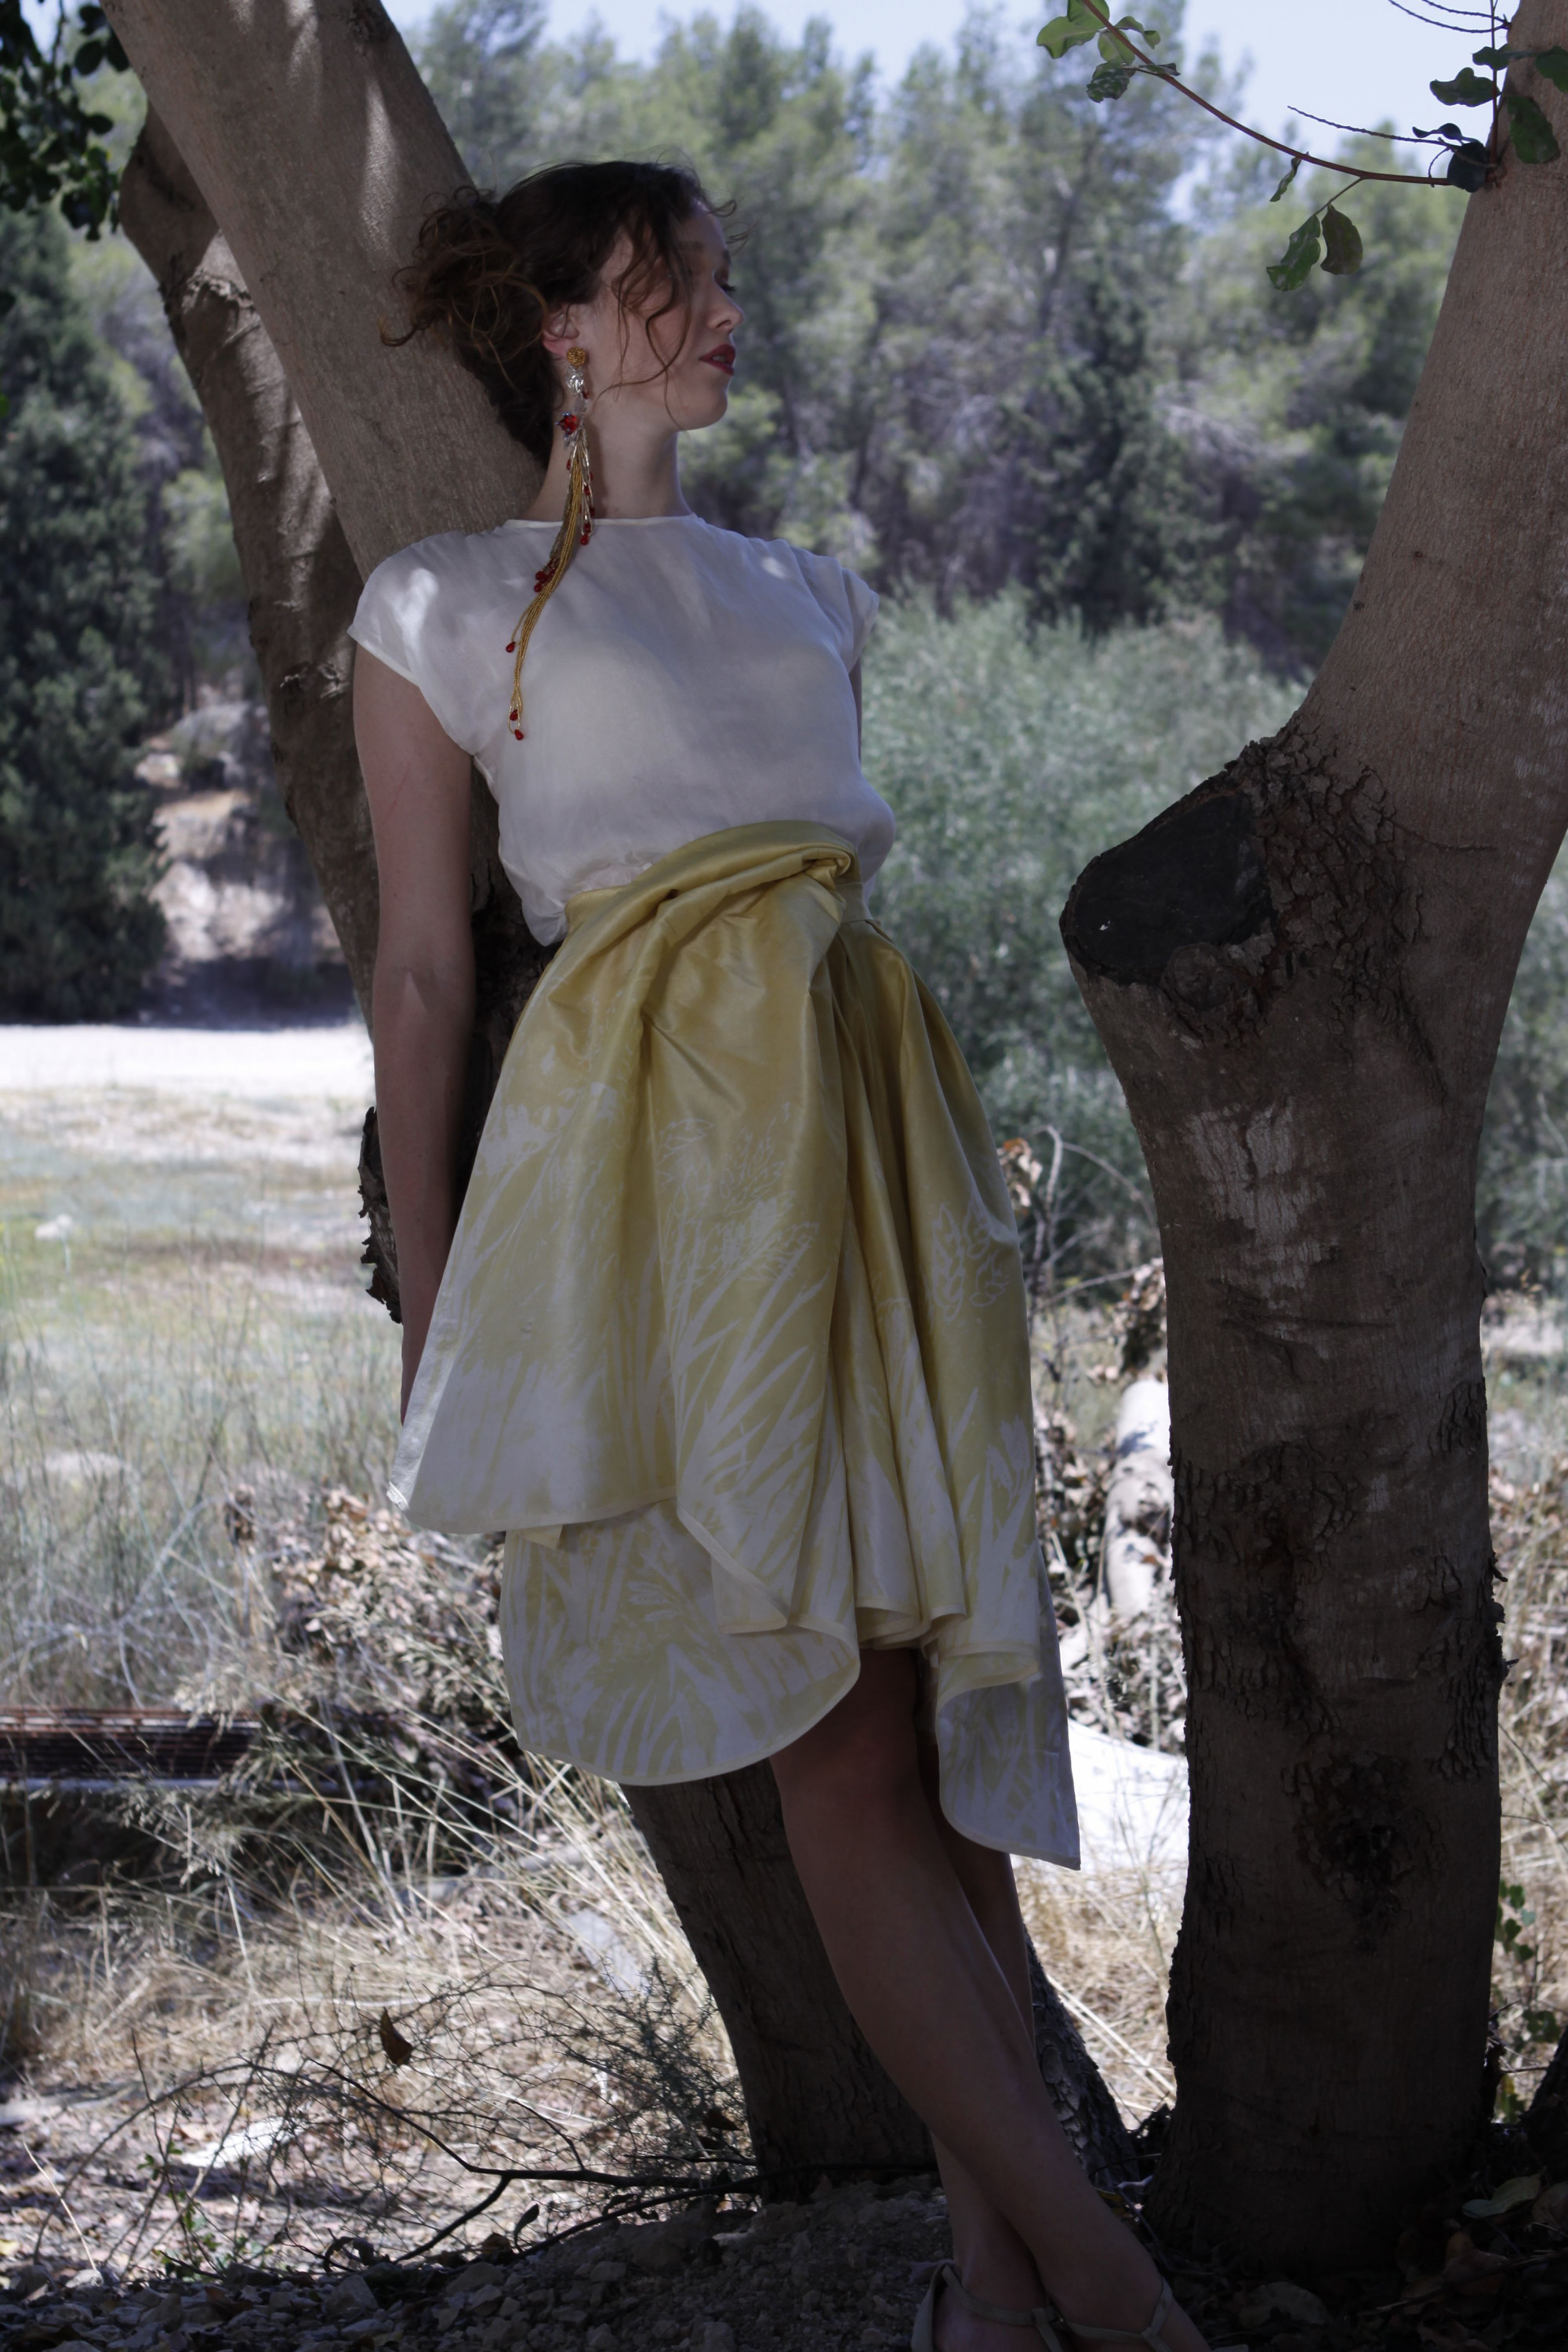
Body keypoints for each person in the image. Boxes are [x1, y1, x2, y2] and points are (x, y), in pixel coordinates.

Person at [350, 159, 1205, 2352]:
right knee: (835, 1733)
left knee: (922, 1742)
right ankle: (1114, 2294)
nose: (728, 311)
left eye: (726, 276)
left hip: (875, 1162)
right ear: (563, 324)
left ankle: (999, 2294)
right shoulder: (443, 607)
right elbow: (427, 981)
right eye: (681, 281)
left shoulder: (811, 590)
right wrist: (444, 1316)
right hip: (661, 1190)